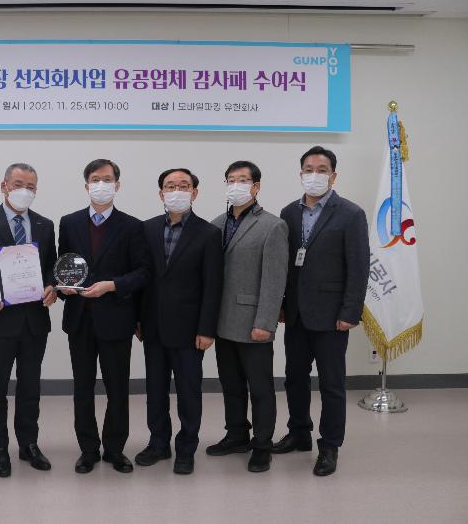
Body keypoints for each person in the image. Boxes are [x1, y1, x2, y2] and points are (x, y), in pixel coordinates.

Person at [273, 146, 369, 477]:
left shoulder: (350, 214)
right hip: (296, 314)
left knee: (331, 384)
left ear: (333, 175)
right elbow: (285, 265)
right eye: (308, 169)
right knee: (294, 378)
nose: (314, 175)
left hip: (332, 316)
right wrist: (282, 304)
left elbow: (359, 267)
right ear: (300, 174)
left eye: (322, 169)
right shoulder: (289, 212)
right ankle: (299, 432)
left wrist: (350, 312)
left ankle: (329, 445)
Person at [57, 159, 150, 474]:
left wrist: (112, 285)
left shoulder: (132, 226)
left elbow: (143, 272)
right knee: (82, 389)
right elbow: (62, 265)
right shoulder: (69, 222)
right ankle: (88, 450)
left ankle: (114, 449)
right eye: (95, 179)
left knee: (117, 389)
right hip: (79, 319)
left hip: (116, 319)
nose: (101, 185)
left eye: (107, 179)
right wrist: (62, 288)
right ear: (86, 185)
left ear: (117, 185)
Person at [0, 163, 58, 478]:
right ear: (3, 185)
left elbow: (50, 266)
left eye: (31, 186)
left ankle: (29, 444)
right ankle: (0, 448)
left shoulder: (45, 225)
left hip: (34, 321)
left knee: (31, 387)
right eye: (18, 184)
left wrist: (52, 287)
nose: (24, 191)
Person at [135, 168, 223, 475]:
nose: (176, 191)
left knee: (189, 392)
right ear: (161, 193)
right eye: (170, 186)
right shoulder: (146, 229)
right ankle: (158, 443)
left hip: (190, 330)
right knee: (155, 390)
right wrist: (138, 319)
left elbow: (213, 285)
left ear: (194, 192)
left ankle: (186, 448)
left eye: (183, 186)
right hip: (153, 326)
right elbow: (142, 278)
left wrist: (207, 329)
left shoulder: (209, 233)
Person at [206, 161, 288, 473]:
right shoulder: (215, 224)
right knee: (231, 384)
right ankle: (236, 434)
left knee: (260, 388)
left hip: (253, 322)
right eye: (231, 180)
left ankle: (262, 445)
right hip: (222, 321)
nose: (236, 185)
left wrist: (265, 322)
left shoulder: (272, 226)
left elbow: (274, 280)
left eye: (243, 180)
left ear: (256, 187)